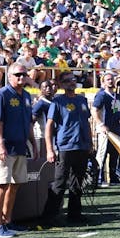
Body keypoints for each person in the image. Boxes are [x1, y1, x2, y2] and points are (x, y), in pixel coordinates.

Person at [0, 63, 36, 238]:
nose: (21, 78)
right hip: (5, 147)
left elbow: (28, 123)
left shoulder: (26, 96)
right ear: (9, 76)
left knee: (15, 185)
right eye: (17, 75)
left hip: (20, 146)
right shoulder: (2, 95)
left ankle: (7, 221)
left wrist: (33, 143)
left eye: (24, 75)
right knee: (1, 185)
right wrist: (0, 144)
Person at [41, 72, 92, 225]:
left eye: (73, 79)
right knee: (59, 182)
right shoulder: (58, 101)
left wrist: (90, 143)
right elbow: (49, 126)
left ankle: (74, 214)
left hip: (82, 146)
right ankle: (49, 217)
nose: (72, 82)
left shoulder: (82, 100)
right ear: (61, 84)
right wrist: (50, 149)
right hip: (65, 146)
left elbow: (87, 123)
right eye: (67, 81)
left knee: (78, 182)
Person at [91, 71, 120, 187]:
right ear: (103, 82)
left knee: (115, 154)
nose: (111, 81)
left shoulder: (118, 96)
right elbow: (94, 110)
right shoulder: (102, 95)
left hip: (116, 129)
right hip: (105, 130)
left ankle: (113, 177)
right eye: (108, 79)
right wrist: (100, 124)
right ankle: (98, 178)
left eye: (112, 79)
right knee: (102, 154)